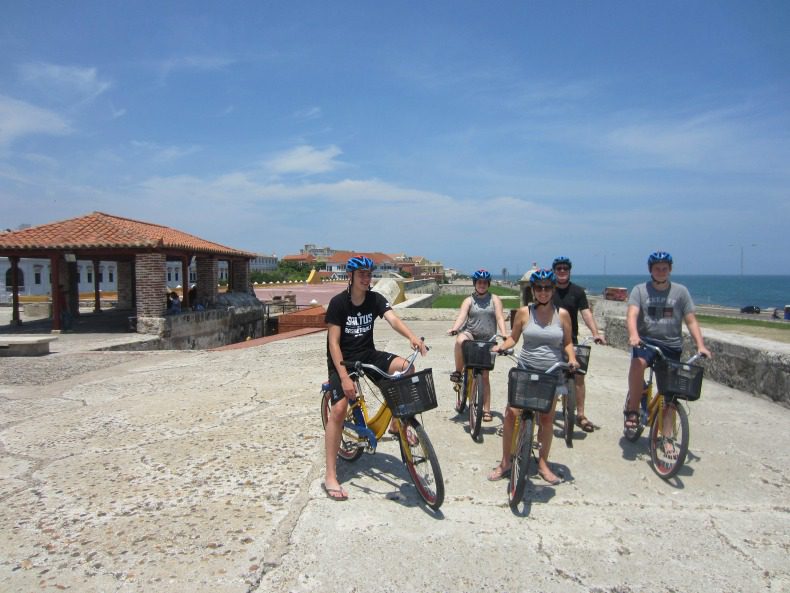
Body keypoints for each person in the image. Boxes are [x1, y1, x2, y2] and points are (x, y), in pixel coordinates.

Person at [323, 255, 428, 501]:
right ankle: (330, 475)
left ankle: (396, 423)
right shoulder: (338, 303)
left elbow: (393, 320)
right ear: (350, 276)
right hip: (342, 360)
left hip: (367, 354)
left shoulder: (375, 299)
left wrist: (412, 337)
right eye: (361, 274)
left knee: (405, 369)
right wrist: (345, 378)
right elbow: (334, 343)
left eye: (369, 274)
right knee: (338, 410)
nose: (366, 278)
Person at [489, 268, 578, 485]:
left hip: (551, 373)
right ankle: (505, 462)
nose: (544, 292)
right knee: (511, 413)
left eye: (548, 288)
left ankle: (543, 464)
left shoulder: (562, 315)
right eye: (539, 288)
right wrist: (502, 347)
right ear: (533, 290)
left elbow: (567, 342)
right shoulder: (523, 313)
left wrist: (572, 358)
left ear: (553, 289)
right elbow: (513, 338)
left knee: (547, 419)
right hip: (526, 369)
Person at [624, 251, 712, 431]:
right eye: (657, 268)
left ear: (670, 270)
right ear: (651, 270)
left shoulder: (681, 292)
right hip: (646, 342)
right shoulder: (640, 290)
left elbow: (691, 320)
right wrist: (634, 335)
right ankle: (632, 410)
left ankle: (667, 437)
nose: (661, 271)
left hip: (671, 346)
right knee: (637, 363)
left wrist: (700, 345)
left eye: (665, 268)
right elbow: (632, 314)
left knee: (670, 395)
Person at [551, 256, 606, 433]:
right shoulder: (548, 290)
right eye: (558, 268)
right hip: (551, 339)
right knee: (548, 375)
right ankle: (545, 409)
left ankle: (581, 415)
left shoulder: (577, 292)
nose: (561, 271)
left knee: (579, 377)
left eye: (564, 269)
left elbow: (586, 313)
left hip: (570, 339)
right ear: (554, 271)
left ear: (569, 271)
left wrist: (595, 333)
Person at [447, 269, 508, 421]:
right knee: (460, 340)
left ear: (488, 284)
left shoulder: (495, 300)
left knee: (485, 376)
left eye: (484, 283)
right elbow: (462, 317)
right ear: (475, 284)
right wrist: (455, 328)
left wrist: (505, 333)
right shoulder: (469, 300)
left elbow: (500, 317)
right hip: (471, 334)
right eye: (479, 282)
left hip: (488, 339)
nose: (482, 285)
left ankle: (486, 410)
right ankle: (458, 371)